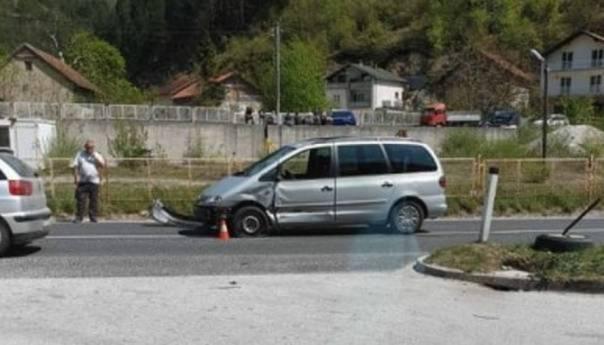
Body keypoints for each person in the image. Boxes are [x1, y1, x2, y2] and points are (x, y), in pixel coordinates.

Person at [71, 140, 106, 223]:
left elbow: (102, 165)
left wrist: (95, 157)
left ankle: (93, 216)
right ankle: (79, 217)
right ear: (85, 147)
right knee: (80, 199)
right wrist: (76, 178)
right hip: (83, 180)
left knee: (94, 200)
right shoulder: (80, 154)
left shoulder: (97, 155)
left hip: (94, 181)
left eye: (91, 147)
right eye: (88, 147)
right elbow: (75, 166)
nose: (90, 149)